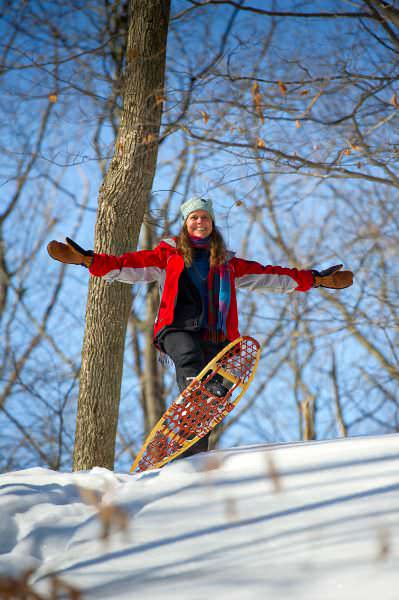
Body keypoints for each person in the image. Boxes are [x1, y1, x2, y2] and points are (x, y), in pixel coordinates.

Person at [47, 197, 353, 456]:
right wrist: (89, 261)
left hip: (216, 335)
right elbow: (127, 265)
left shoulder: (229, 264)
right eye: (194, 217)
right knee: (190, 358)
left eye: (205, 217)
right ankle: (199, 384)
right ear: (185, 222)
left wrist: (314, 279)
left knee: (208, 406)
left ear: (212, 223)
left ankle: (193, 456)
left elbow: (271, 276)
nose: (200, 222)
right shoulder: (166, 255)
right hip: (177, 327)